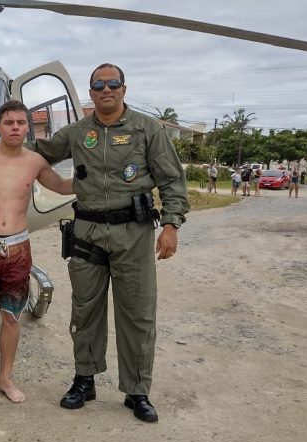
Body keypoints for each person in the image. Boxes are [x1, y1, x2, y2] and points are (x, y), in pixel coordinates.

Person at [29, 63, 189, 423]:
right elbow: (36, 152)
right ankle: (84, 380)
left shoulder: (147, 128)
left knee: (137, 313)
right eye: (98, 85)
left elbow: (171, 181)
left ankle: (137, 391)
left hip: (133, 233)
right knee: (85, 310)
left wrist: (171, 225)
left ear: (123, 88)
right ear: (91, 92)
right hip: (87, 232)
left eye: (112, 83)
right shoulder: (76, 132)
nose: (106, 89)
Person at [0, 100, 73, 403]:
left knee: (11, 317)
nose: (16, 127)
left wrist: (101, 178)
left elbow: (61, 186)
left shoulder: (34, 161)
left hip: (18, 250)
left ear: (27, 127)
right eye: (10, 123)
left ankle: (5, 378)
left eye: (21, 122)